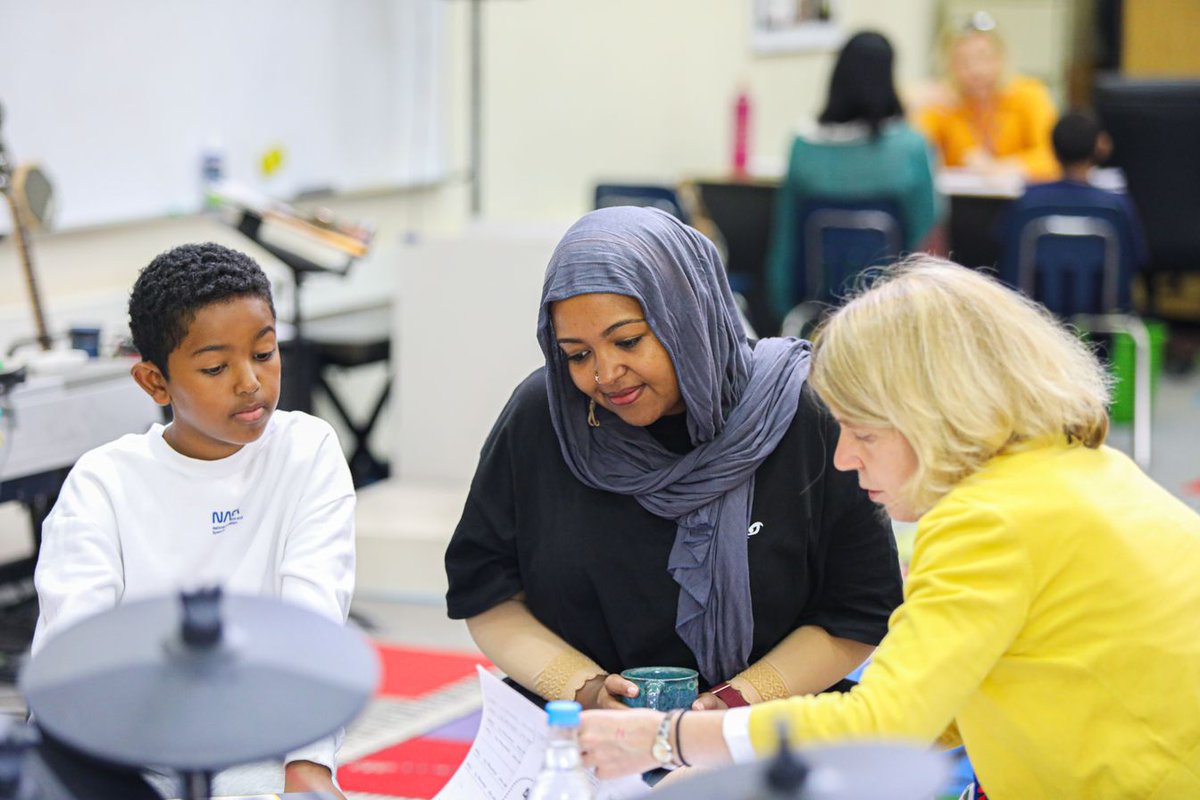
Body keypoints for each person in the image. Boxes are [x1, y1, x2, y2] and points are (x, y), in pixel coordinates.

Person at [577, 256, 1200, 798]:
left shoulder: (987, 521)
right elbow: (942, 707)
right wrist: (745, 761)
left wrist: (670, 738)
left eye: (863, 432)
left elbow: (888, 721)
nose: (844, 458)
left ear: (937, 417)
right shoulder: (1079, 471)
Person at [444, 207, 902, 717]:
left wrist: (729, 707)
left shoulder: (798, 414)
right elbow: (488, 593)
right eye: (576, 354)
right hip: (581, 736)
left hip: (767, 731)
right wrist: (585, 690)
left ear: (686, 315)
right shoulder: (546, 418)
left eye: (628, 341)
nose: (605, 373)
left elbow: (855, 612)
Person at [32, 243, 356, 799]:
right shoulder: (103, 483)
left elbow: (315, 614)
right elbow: (71, 659)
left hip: (257, 749)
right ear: (155, 383)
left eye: (265, 352)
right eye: (214, 367)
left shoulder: (307, 450)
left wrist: (309, 762)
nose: (249, 381)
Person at [766, 30, 939, 324]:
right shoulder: (910, 148)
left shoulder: (803, 147)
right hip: (893, 312)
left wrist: (783, 308)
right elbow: (928, 242)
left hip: (814, 308)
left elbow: (785, 238)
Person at [1002, 109, 1148, 310]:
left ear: (1052, 149)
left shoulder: (1027, 203)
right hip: (1102, 314)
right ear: (1101, 146)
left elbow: (1007, 255)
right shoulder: (1115, 207)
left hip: (1036, 315)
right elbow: (1137, 259)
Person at [915, 12, 1058, 181]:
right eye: (963, 61)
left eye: (984, 57)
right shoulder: (942, 104)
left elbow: (1052, 157)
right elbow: (918, 159)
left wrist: (1003, 167)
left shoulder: (1029, 94)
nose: (976, 70)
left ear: (1002, 57)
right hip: (962, 201)